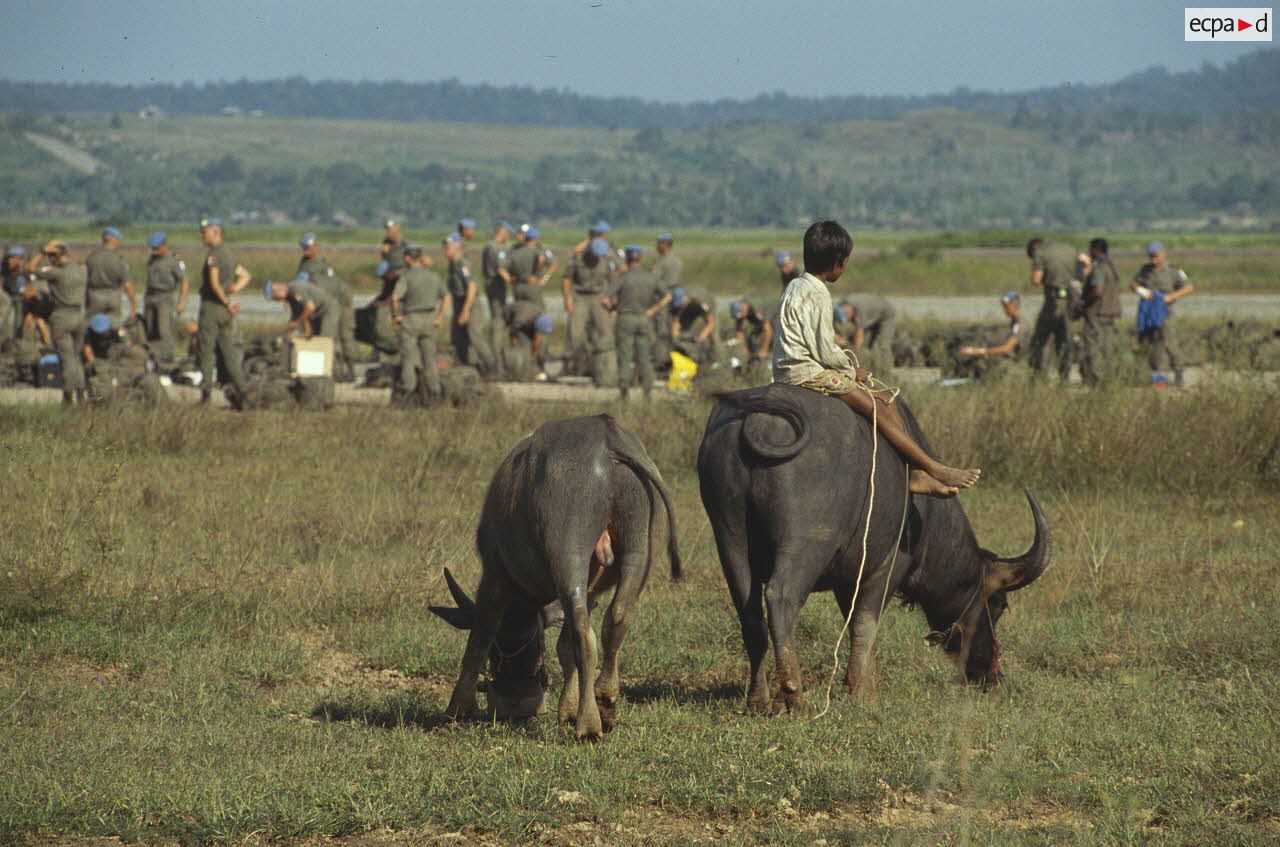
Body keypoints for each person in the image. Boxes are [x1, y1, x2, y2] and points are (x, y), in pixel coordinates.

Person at [774, 221, 980, 497]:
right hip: (809, 373)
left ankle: (917, 472)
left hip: (785, 370)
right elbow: (823, 348)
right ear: (839, 263)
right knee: (879, 405)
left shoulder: (794, 286)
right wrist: (850, 369)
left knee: (885, 400)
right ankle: (930, 468)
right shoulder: (818, 292)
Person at [195, 217, 250, 406]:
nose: (202, 236)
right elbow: (245, 275)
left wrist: (226, 301)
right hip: (225, 312)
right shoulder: (228, 253)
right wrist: (234, 289)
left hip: (212, 308)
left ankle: (206, 396)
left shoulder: (215, 255)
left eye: (205, 232)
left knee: (206, 352)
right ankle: (244, 393)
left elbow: (214, 283)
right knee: (229, 353)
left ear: (216, 231)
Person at [25, 241, 87, 405]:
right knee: (76, 357)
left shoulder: (55, 272)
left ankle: (68, 397)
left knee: (66, 358)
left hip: (62, 317)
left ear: (55, 257)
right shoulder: (80, 270)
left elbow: (30, 268)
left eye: (52, 256)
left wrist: (42, 251)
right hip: (79, 316)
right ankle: (81, 394)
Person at [609, 245, 669, 401]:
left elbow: (604, 298)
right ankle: (647, 392)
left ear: (627, 259)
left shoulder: (622, 277)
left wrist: (613, 308)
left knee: (625, 356)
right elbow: (667, 296)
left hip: (625, 317)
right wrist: (653, 310)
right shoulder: (651, 277)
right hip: (644, 318)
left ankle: (624, 393)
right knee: (644, 356)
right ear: (641, 258)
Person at [1132, 240, 1194, 386]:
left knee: (1169, 341)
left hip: (1166, 312)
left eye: (1156, 256)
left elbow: (1189, 287)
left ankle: (1179, 372)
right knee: (1148, 342)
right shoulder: (1145, 270)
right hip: (1148, 312)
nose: (1153, 259)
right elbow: (1134, 283)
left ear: (1163, 254)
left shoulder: (1173, 270)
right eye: (1151, 256)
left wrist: (1171, 297)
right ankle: (1153, 374)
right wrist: (1141, 291)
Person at [390, 243, 447, 401]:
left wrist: (396, 315)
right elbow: (446, 296)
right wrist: (440, 316)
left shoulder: (406, 277)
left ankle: (408, 391)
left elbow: (395, 298)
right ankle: (434, 391)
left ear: (408, 258)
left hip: (411, 318)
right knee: (429, 359)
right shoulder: (433, 276)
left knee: (409, 358)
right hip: (430, 319)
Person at [297, 232, 357, 380]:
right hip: (321, 304)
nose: (305, 251)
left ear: (316, 247)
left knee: (345, 335)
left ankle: (351, 371)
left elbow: (333, 285)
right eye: (303, 247)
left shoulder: (323, 264)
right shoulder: (303, 264)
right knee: (326, 336)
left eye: (308, 247)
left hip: (339, 301)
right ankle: (333, 370)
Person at [562, 236, 616, 384]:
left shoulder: (606, 261)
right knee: (574, 330)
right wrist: (567, 299)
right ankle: (569, 363)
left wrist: (611, 300)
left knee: (604, 330)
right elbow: (566, 279)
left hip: (599, 297)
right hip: (580, 297)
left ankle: (603, 364)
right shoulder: (577, 260)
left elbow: (612, 281)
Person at [1025, 236, 1078, 379]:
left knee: (1039, 340)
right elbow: (1085, 266)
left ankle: (1037, 374)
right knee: (1064, 339)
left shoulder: (1040, 253)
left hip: (1053, 300)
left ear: (1034, 249)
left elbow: (1036, 280)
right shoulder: (1070, 249)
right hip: (1071, 300)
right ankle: (1064, 375)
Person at [1078, 237, 1123, 386]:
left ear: (1095, 250)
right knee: (1108, 348)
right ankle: (1110, 379)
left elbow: (1097, 290)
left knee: (1093, 348)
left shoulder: (1099, 268)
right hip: (1110, 312)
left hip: (1097, 313)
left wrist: (1085, 303)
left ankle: (1096, 380)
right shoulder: (1113, 266)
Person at [142, 232, 188, 367]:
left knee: (164, 330)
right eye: (153, 248)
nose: (154, 251)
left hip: (165, 297)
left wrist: (182, 302)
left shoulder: (173, 260)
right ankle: (152, 359)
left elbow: (184, 281)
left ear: (164, 245)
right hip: (150, 297)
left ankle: (166, 361)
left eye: (157, 248)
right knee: (150, 329)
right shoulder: (152, 259)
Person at [84, 226, 137, 322]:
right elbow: (127, 285)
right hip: (114, 297)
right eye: (118, 240)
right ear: (114, 240)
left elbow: (85, 281)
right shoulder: (119, 260)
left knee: (94, 325)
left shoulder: (91, 258)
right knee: (114, 326)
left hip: (95, 297)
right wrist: (133, 304)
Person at [266, 273, 338, 338]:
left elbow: (310, 308)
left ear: (279, 289)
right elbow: (301, 312)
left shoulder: (295, 289)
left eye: (275, 297)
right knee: (312, 335)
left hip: (328, 308)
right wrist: (306, 329)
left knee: (325, 337)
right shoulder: (290, 298)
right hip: (317, 311)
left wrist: (297, 322)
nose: (276, 300)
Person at [960, 291, 1023, 363]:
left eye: (1006, 307)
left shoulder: (1018, 324)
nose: (1004, 310)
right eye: (1003, 307)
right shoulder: (1015, 322)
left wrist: (979, 351)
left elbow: (1007, 349)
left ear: (1015, 305)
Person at [481, 221, 514, 357]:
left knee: (498, 316)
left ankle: (496, 346)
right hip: (495, 285)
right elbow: (500, 269)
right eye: (507, 234)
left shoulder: (492, 246)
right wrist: (513, 282)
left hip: (494, 284)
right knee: (498, 317)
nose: (508, 237)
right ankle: (495, 349)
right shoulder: (494, 248)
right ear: (502, 232)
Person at [844, 293, 897, 371]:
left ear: (850, 310)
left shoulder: (860, 310)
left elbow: (859, 335)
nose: (848, 319)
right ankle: (869, 367)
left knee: (883, 344)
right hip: (871, 315)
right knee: (866, 343)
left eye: (847, 316)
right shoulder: (842, 304)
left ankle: (886, 370)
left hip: (886, 313)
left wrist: (855, 351)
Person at [669, 286, 718, 364]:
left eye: (681, 304)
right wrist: (675, 339)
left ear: (686, 298)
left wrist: (700, 339)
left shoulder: (701, 301)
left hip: (705, 304)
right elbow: (676, 320)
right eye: (678, 305)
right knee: (683, 332)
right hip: (690, 307)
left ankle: (715, 360)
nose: (680, 306)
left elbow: (710, 323)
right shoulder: (677, 299)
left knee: (713, 335)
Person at [3, 246, 29, 340]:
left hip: (20, 301)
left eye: (12, 258)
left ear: (18, 259)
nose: (9, 261)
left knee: (18, 322)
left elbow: (25, 292)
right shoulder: (6, 271)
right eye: (8, 258)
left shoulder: (22, 273)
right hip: (10, 300)